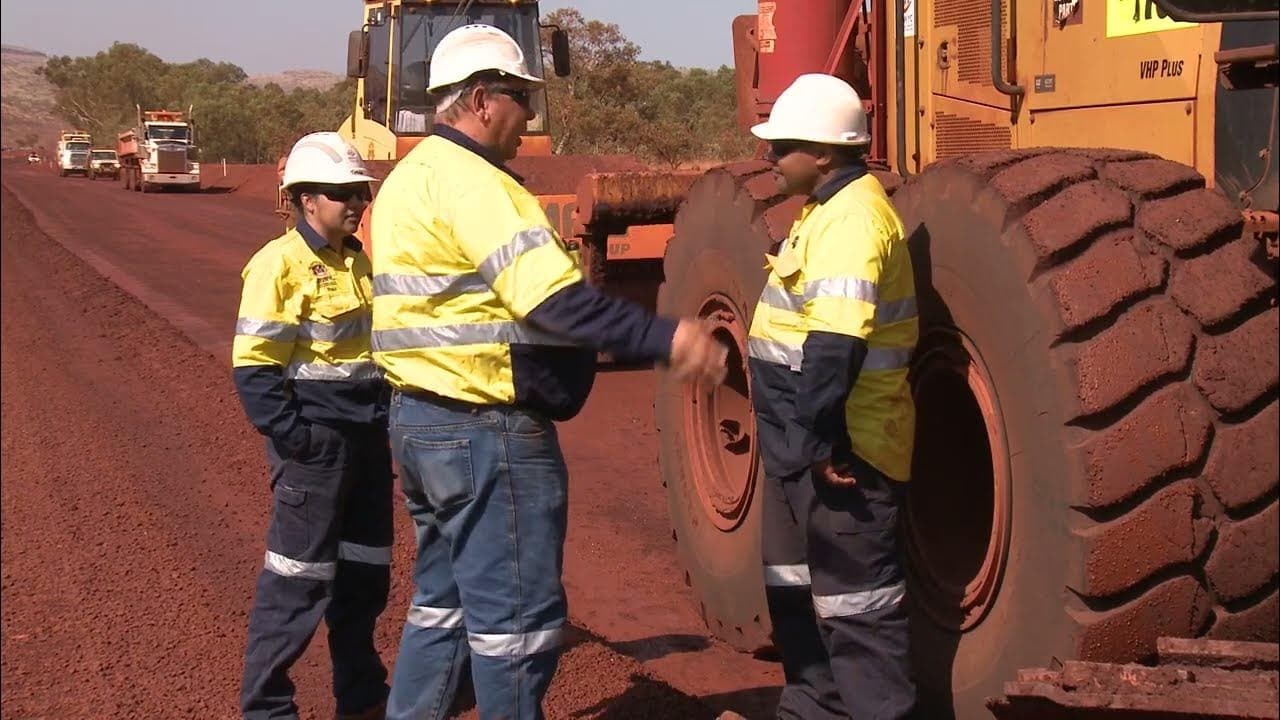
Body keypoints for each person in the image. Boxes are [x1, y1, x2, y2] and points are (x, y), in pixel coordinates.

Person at [368, 23, 728, 720]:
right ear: (480, 99)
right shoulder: (476, 183)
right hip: (487, 429)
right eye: (519, 97)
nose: (528, 113)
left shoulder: (408, 180)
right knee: (519, 626)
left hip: (421, 425)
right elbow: (555, 304)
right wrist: (669, 336)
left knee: (442, 611)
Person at [746, 73, 919, 720]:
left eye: (782, 145)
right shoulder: (822, 213)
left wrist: (821, 445)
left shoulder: (852, 221)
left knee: (857, 619)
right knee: (795, 604)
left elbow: (833, 349)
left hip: (844, 454)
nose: (770, 157)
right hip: (801, 451)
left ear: (822, 153)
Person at [233, 131, 394, 720]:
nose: (356, 203)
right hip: (317, 451)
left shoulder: (357, 261)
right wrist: (302, 443)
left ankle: (362, 701)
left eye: (362, 193)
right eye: (342, 193)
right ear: (305, 199)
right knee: (296, 585)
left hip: (368, 447)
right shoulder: (276, 266)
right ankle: (267, 709)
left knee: (364, 582)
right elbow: (254, 372)